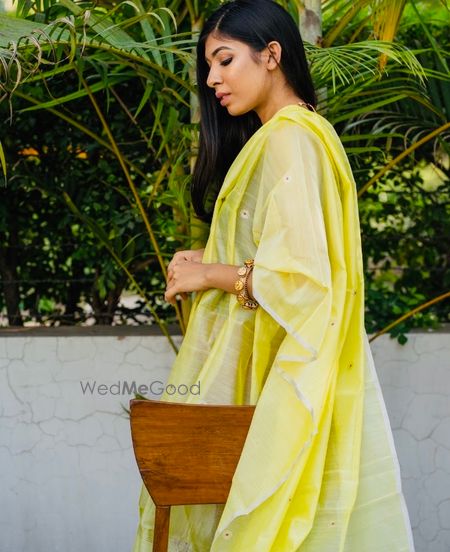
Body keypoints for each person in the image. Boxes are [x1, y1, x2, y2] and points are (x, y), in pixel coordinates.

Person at [133, 1, 415, 550]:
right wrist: (208, 255)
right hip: (268, 374)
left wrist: (210, 274)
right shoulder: (303, 133)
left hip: (274, 380)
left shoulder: (289, 137)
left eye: (224, 60)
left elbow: (301, 281)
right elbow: (289, 252)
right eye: (208, 67)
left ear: (271, 55)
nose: (212, 79)